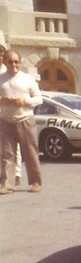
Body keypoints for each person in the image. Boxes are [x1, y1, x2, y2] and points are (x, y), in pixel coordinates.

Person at [0, 50, 43, 194]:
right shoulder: (1, 79)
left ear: (20, 62)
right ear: (5, 63)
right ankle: (7, 184)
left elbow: (39, 98)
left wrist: (25, 101)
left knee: (30, 153)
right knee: (7, 155)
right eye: (10, 62)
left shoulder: (27, 79)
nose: (13, 65)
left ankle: (36, 182)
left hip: (24, 119)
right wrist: (2, 101)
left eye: (16, 61)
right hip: (6, 121)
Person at [0, 33, 22, 186]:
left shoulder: (9, 70)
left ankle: (17, 173)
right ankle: (3, 174)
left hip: (12, 114)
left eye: (2, 53)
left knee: (15, 147)